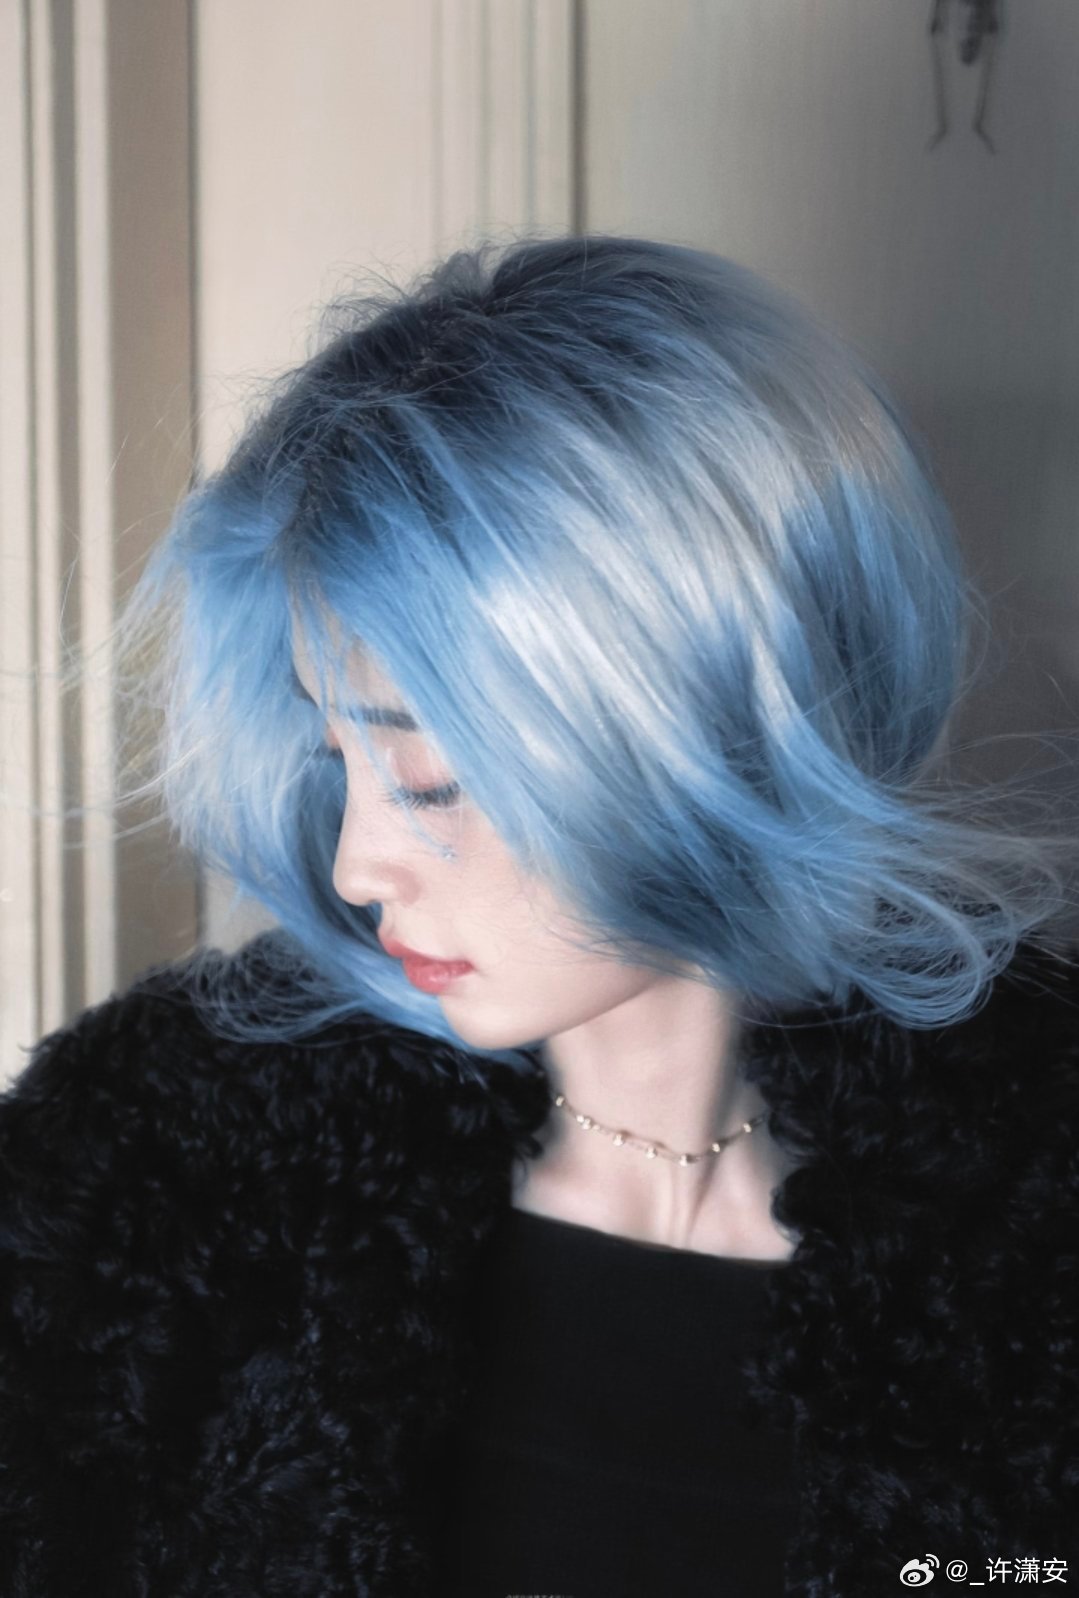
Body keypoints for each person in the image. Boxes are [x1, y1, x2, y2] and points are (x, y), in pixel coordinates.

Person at [2, 233, 1077, 1598]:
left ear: (700, 722)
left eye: (430, 779)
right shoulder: (158, 1179)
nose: (356, 867)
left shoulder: (1033, 1215)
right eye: (337, 756)